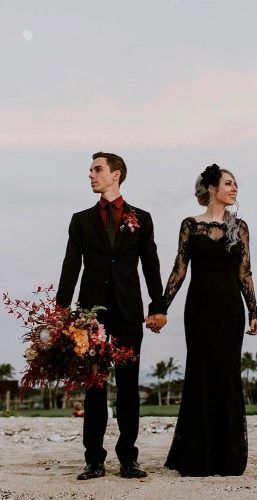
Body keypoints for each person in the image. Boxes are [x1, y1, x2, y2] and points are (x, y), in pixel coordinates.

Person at [56, 152, 167, 480]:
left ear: (115, 174)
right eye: (91, 170)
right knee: (94, 386)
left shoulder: (141, 218)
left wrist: (157, 307)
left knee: (130, 387)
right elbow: (70, 266)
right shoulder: (80, 220)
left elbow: (151, 265)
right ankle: (94, 459)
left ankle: (128, 458)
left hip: (129, 313)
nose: (91, 175)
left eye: (97, 169)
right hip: (92, 317)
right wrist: (62, 311)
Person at [163, 164, 257, 477]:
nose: (234, 189)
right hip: (199, 310)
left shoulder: (239, 227)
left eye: (235, 185)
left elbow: (244, 271)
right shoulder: (190, 225)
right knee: (200, 373)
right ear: (212, 188)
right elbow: (179, 268)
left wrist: (254, 311)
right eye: (229, 183)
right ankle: (197, 456)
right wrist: (161, 306)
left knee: (228, 373)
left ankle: (228, 457)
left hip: (231, 309)